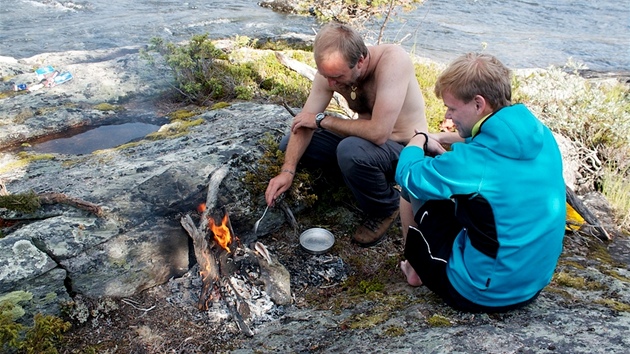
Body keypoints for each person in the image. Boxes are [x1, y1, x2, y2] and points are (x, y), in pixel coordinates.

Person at [395, 53, 566, 312]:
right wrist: (446, 137)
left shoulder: (476, 164)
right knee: (476, 203)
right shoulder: (541, 135)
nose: (448, 115)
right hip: (531, 285)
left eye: (451, 108)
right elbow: (494, 151)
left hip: (482, 292)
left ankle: (415, 267)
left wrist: (418, 139)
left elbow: (407, 174)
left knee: (412, 188)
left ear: (478, 104)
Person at [265, 22, 427, 247]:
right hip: (364, 144)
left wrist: (323, 120)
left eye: (337, 77)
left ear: (360, 61)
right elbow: (305, 120)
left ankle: (386, 207)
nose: (331, 83)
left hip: (404, 147)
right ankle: (358, 180)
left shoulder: (392, 62)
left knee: (350, 151)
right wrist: (287, 171)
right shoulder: (331, 72)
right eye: (326, 76)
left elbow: (380, 133)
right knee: (290, 145)